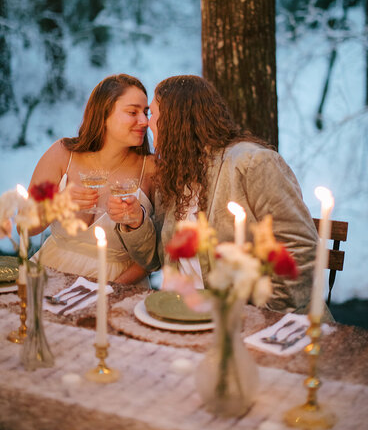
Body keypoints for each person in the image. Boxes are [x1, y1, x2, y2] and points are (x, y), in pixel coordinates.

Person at [121, 74, 321, 313]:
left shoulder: (251, 163)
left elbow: (299, 248)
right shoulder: (174, 175)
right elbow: (157, 260)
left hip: (254, 322)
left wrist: (265, 313)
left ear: (176, 118)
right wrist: (136, 222)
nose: (146, 123)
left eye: (152, 114)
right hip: (186, 312)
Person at [28, 74, 158, 284]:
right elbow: (25, 226)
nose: (144, 121)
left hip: (118, 286)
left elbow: (152, 258)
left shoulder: (152, 169)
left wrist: (107, 292)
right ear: (103, 114)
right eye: (132, 112)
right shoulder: (62, 153)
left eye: (146, 112)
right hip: (50, 275)